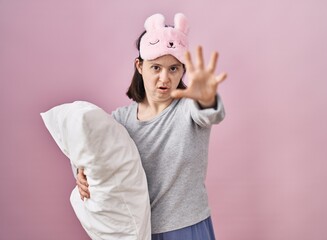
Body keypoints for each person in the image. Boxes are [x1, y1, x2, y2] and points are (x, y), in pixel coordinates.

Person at [76, 12, 227, 240]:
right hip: (138, 232)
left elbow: (209, 113)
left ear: (183, 70)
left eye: (174, 68)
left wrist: (207, 98)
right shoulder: (120, 121)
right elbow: (89, 152)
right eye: (156, 68)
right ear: (139, 66)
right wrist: (81, 173)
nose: (164, 78)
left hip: (187, 229)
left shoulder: (188, 109)